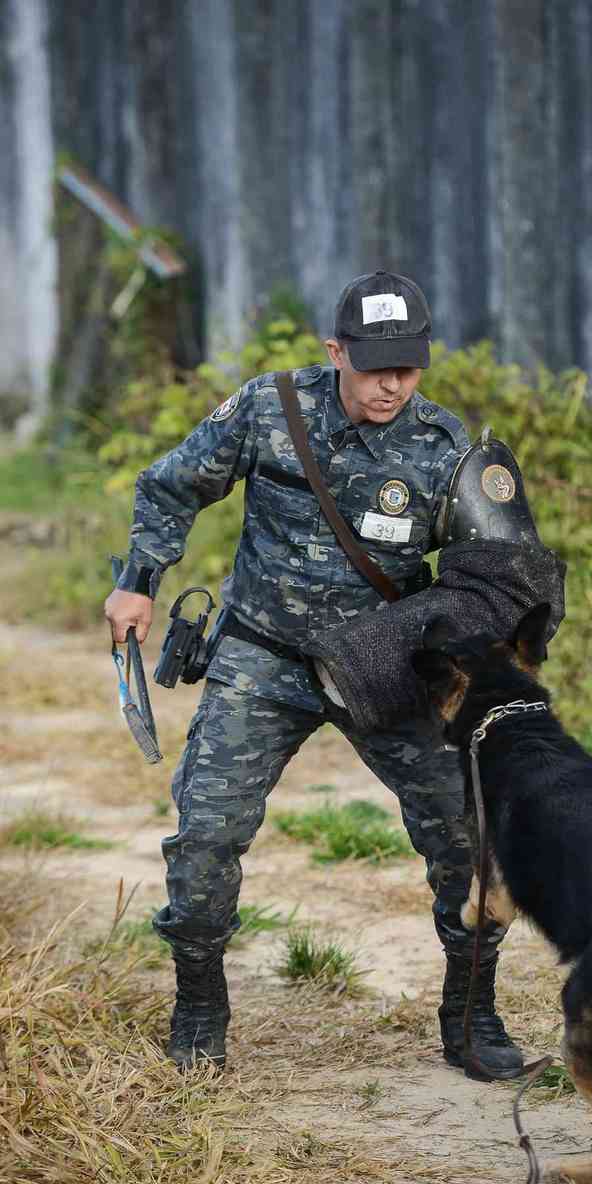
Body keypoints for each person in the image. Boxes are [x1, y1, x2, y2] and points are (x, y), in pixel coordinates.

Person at [104, 270, 523, 1079]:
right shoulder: (272, 408)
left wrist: (471, 651)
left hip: (383, 670)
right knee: (206, 836)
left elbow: (492, 578)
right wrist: (138, 579)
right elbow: (172, 484)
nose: (394, 384)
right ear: (337, 352)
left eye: (409, 366)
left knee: (467, 838)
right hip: (265, 655)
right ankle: (199, 1009)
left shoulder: (443, 445)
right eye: (376, 367)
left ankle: (472, 1019)